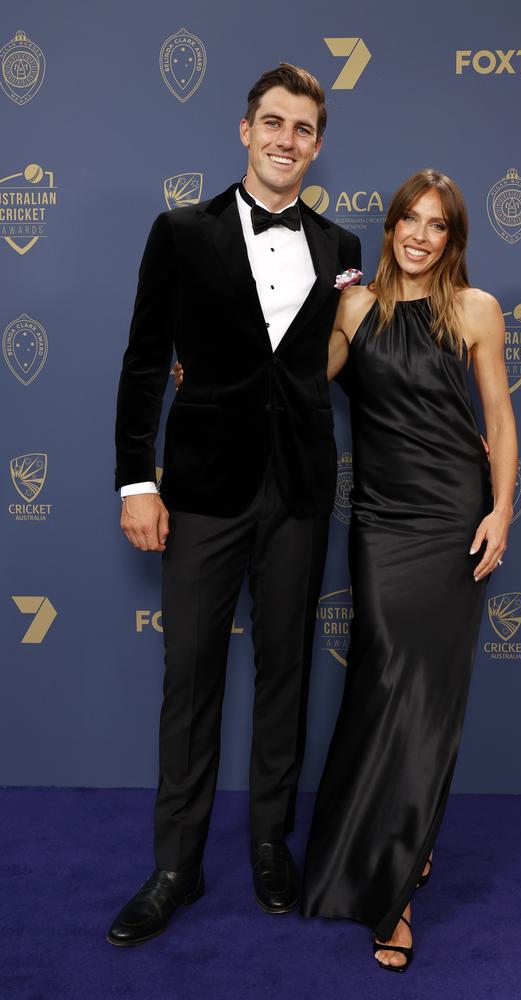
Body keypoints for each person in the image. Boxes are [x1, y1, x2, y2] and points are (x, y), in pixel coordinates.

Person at [108, 63, 361, 947]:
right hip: (204, 491)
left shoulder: (340, 248)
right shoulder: (180, 232)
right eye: (273, 122)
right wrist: (137, 480)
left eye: (303, 129)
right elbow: (145, 361)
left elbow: (349, 363)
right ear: (244, 129)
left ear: (318, 145)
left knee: (287, 672)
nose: (287, 140)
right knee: (192, 680)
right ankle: (176, 863)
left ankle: (269, 844)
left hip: (298, 488)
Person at [300, 169, 518, 971]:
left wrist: (500, 512)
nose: (421, 236)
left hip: (454, 514)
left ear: (454, 240)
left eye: (438, 226)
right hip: (383, 521)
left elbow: (498, 415)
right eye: (409, 221)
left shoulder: (477, 310)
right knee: (382, 677)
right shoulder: (354, 307)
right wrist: (212, 375)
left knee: (428, 698)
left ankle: (395, 884)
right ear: (390, 226)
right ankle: (376, 846)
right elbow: (298, 382)